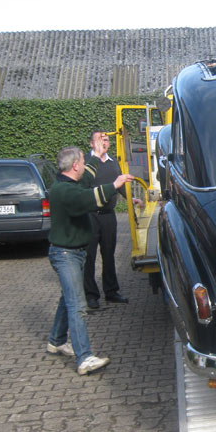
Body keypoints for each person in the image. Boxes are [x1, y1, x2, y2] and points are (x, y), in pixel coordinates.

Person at [46, 145, 134, 375]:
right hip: (66, 255)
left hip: (72, 253)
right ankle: (84, 358)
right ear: (75, 166)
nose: (86, 166)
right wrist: (115, 184)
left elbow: (88, 179)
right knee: (77, 304)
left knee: (67, 297)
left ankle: (56, 341)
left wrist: (97, 153)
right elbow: (89, 198)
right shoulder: (65, 191)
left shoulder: (68, 183)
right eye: (84, 162)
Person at [83, 130, 142, 309]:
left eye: (107, 140)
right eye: (100, 140)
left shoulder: (113, 162)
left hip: (108, 216)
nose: (104, 143)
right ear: (91, 143)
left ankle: (111, 291)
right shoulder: (85, 162)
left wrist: (130, 198)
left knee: (109, 254)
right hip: (89, 216)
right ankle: (91, 295)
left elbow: (119, 184)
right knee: (89, 256)